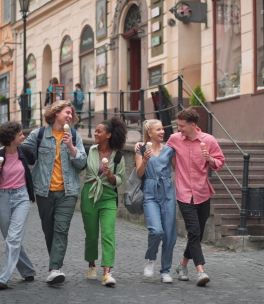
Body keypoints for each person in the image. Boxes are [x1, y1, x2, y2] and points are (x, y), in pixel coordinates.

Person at [0, 100, 87, 285]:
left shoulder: (74, 135)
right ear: (56, 113)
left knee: (61, 230)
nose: (70, 116)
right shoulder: (39, 134)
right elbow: (17, 148)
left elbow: (82, 164)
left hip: (69, 191)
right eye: (67, 112)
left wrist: (72, 147)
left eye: (71, 113)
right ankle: (52, 266)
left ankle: (54, 268)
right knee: (49, 231)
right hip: (44, 191)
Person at [136, 107, 225, 287]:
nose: (178, 129)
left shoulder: (209, 140)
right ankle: (200, 271)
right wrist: (141, 146)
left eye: (182, 126)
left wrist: (209, 159)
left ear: (193, 125)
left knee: (195, 234)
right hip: (183, 193)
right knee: (191, 231)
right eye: (178, 126)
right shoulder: (175, 140)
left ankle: (182, 265)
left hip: (202, 192)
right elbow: (157, 151)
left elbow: (220, 162)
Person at [0, 121, 36, 290]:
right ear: (11, 138)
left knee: (13, 237)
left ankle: (4, 278)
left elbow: (39, 155)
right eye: (20, 135)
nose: (23, 137)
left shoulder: (24, 151)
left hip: (21, 197)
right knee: (11, 238)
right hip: (2, 198)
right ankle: (28, 270)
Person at [81, 117, 127, 287]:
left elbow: (120, 179)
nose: (95, 133)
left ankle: (107, 272)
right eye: (95, 131)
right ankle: (91, 265)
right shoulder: (89, 151)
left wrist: (109, 175)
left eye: (99, 131)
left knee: (108, 234)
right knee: (92, 235)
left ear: (108, 135)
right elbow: (78, 165)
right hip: (90, 196)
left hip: (108, 197)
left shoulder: (118, 156)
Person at [135, 119, 176, 283]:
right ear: (149, 133)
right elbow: (139, 174)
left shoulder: (170, 150)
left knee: (169, 234)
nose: (162, 132)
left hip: (167, 191)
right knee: (156, 230)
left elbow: (178, 168)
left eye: (162, 129)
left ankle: (165, 270)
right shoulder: (141, 149)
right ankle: (150, 259)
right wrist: (145, 160)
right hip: (150, 192)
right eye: (158, 129)